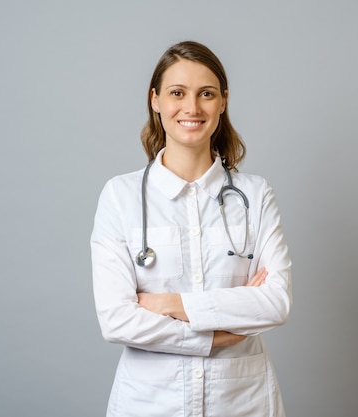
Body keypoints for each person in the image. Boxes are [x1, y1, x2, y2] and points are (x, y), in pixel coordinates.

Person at [90, 40, 292, 417]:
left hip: (241, 402)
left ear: (223, 101)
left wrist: (173, 305)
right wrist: (217, 335)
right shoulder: (121, 196)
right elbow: (117, 321)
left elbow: (275, 303)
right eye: (177, 93)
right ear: (155, 100)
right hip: (150, 403)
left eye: (207, 94)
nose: (192, 108)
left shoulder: (255, 195)